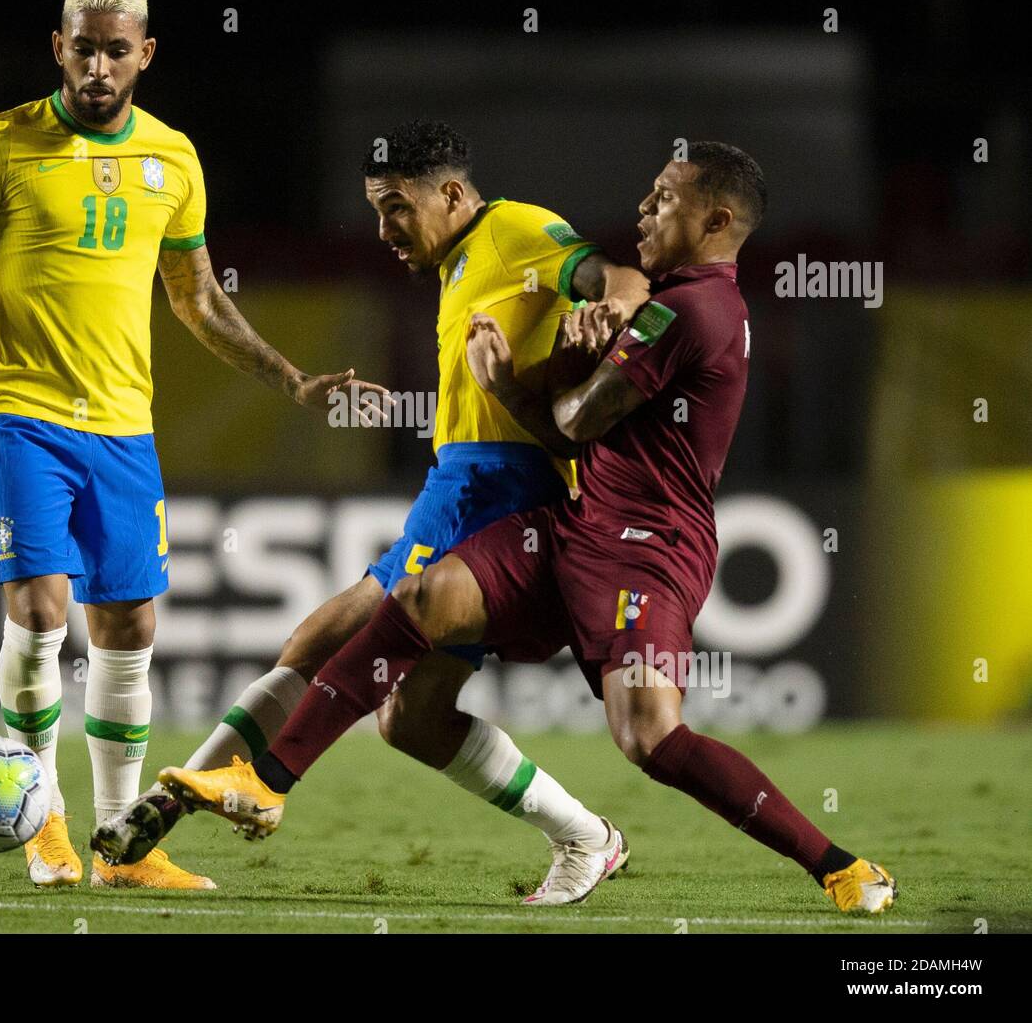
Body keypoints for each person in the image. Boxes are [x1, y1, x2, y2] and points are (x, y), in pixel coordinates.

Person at [159, 142, 898, 914]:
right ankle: (266, 782)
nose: (644, 207)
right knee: (416, 606)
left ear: (716, 219)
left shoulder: (690, 309)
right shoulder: (678, 299)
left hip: (646, 550)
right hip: (572, 524)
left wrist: (506, 378)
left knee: (650, 738)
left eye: (666, 197)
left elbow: (574, 425)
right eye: (650, 191)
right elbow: (585, 399)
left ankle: (839, 865)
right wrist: (565, 352)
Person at [0, 0, 387, 890]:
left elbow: (198, 298)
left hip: (124, 430)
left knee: (128, 626)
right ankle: (42, 821)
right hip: (21, 414)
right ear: (59, 47)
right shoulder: (5, 144)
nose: (97, 65)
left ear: (145, 55)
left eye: (115, 50)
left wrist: (288, 377)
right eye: (81, 47)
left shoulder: (174, 159)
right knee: (42, 611)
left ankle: (122, 845)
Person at [92, 119, 651, 905]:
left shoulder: (517, 230)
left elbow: (620, 275)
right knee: (410, 719)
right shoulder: (462, 263)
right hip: (462, 480)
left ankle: (195, 796)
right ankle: (588, 837)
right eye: (374, 209)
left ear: (453, 194)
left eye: (396, 208)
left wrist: (617, 311)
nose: (382, 230)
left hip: (499, 492)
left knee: (330, 634)